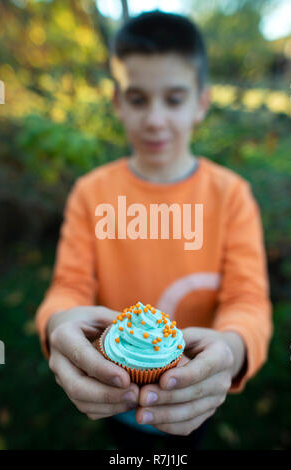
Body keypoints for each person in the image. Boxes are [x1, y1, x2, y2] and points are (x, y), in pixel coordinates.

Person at [35, 10, 273, 449]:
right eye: (138, 99)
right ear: (117, 103)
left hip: (195, 402)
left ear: (202, 101)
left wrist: (233, 350)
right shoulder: (92, 193)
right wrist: (58, 324)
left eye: (175, 99)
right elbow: (68, 285)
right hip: (114, 400)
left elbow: (248, 300)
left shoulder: (232, 196)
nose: (155, 119)